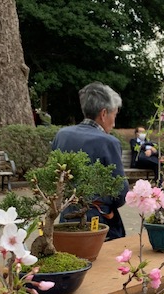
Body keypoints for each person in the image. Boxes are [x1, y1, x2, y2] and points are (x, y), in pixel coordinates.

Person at [51, 82, 129, 240]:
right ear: (104, 113)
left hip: (66, 215)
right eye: (114, 115)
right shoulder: (109, 142)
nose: (114, 123)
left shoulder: (62, 135)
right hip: (97, 219)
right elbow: (120, 191)